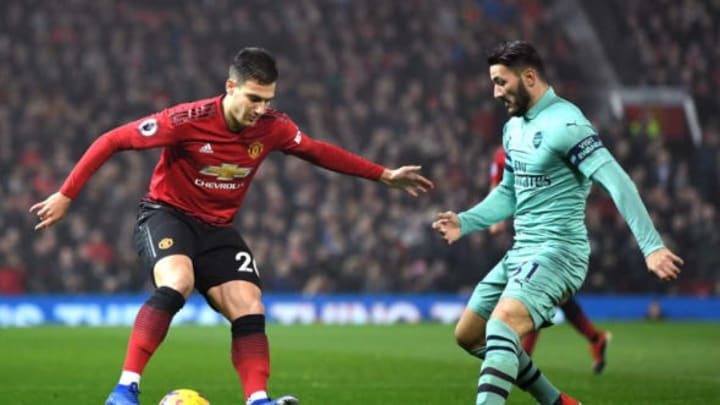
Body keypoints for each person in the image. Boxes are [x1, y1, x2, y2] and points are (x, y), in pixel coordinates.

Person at [30, 47, 434, 405]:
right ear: (230, 86)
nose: (260, 109)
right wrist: (67, 194)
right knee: (178, 282)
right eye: (254, 99)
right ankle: (125, 390)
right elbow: (111, 140)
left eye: (268, 100)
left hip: (218, 228)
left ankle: (258, 400)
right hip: (166, 213)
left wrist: (382, 175)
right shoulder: (185, 120)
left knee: (250, 305)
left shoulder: (272, 126)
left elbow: (317, 151)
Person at [432, 40, 682, 405]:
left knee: (501, 327)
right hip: (522, 251)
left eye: (501, 82)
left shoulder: (567, 123)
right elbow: (509, 193)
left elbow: (617, 180)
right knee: (469, 335)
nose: (495, 92)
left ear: (529, 77)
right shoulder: (513, 128)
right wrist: (465, 222)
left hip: (560, 253)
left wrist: (651, 245)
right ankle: (558, 402)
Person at [489, 145, 611, 374]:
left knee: (535, 291)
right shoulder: (501, 155)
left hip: (553, 232)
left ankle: (524, 358)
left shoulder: (546, 145)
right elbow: (496, 185)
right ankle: (596, 339)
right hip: (526, 231)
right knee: (552, 297)